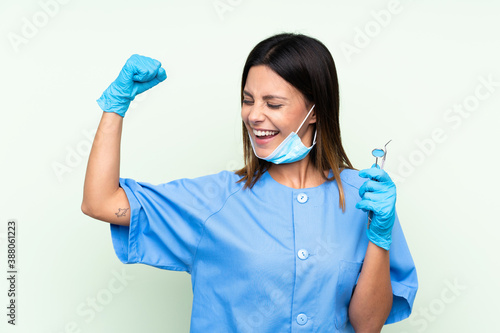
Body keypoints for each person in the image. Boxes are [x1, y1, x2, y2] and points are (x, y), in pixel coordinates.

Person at [82, 33, 418, 332]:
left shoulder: (366, 199)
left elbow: (368, 325)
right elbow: (101, 202)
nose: (254, 115)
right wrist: (116, 106)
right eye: (247, 100)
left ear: (314, 111)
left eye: (273, 103)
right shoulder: (213, 200)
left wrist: (380, 236)